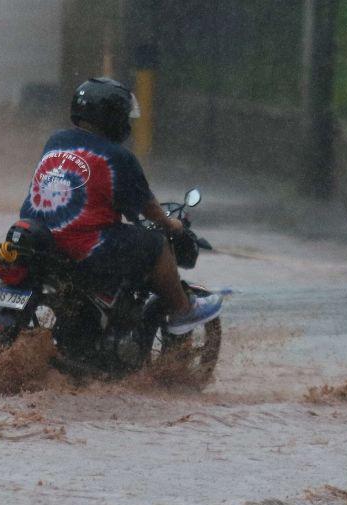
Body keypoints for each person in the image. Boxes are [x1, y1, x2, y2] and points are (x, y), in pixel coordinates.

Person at [21, 77, 222, 335]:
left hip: (40, 240)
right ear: (113, 118)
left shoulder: (57, 140)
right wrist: (171, 224)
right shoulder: (118, 157)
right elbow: (148, 207)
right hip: (85, 245)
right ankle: (183, 311)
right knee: (156, 244)